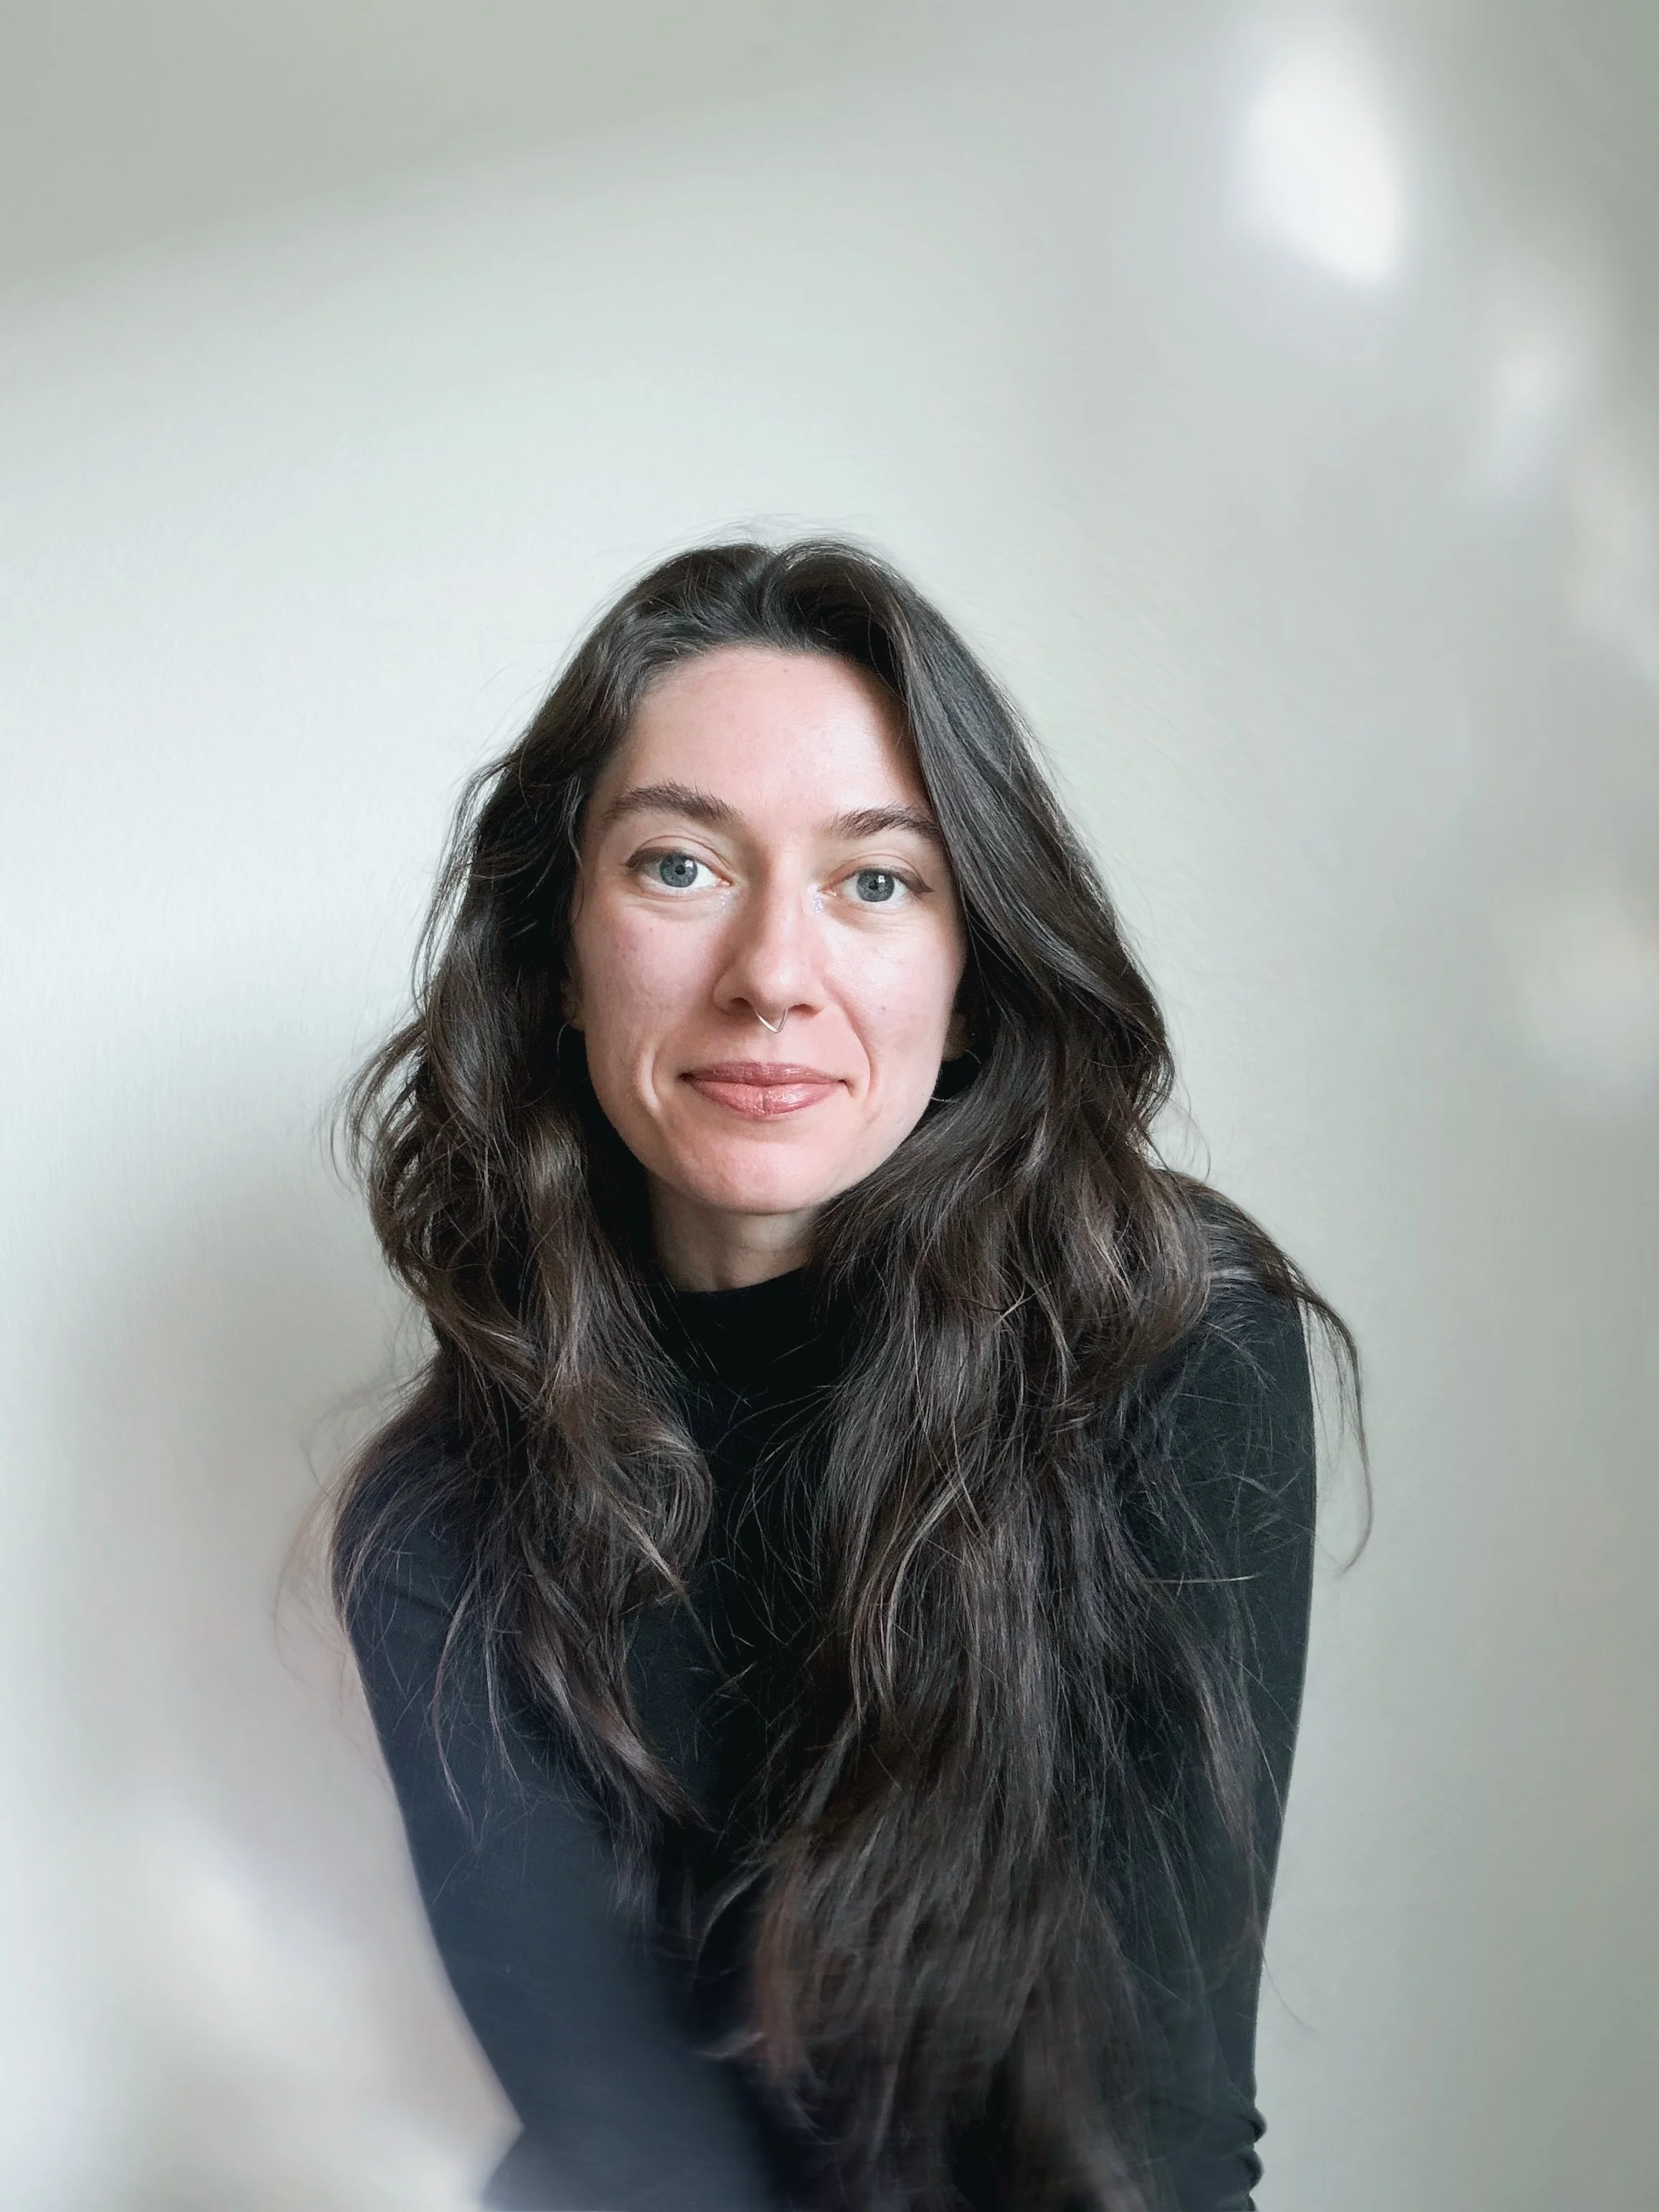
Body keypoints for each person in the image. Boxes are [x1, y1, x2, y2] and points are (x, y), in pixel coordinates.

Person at [332, 537, 1359, 2212]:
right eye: (678, 866)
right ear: (554, 954)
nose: (773, 973)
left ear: (968, 981)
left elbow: (1161, 2131)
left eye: (877, 880)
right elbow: (635, 2159)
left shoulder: (1166, 1343)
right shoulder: (432, 1532)